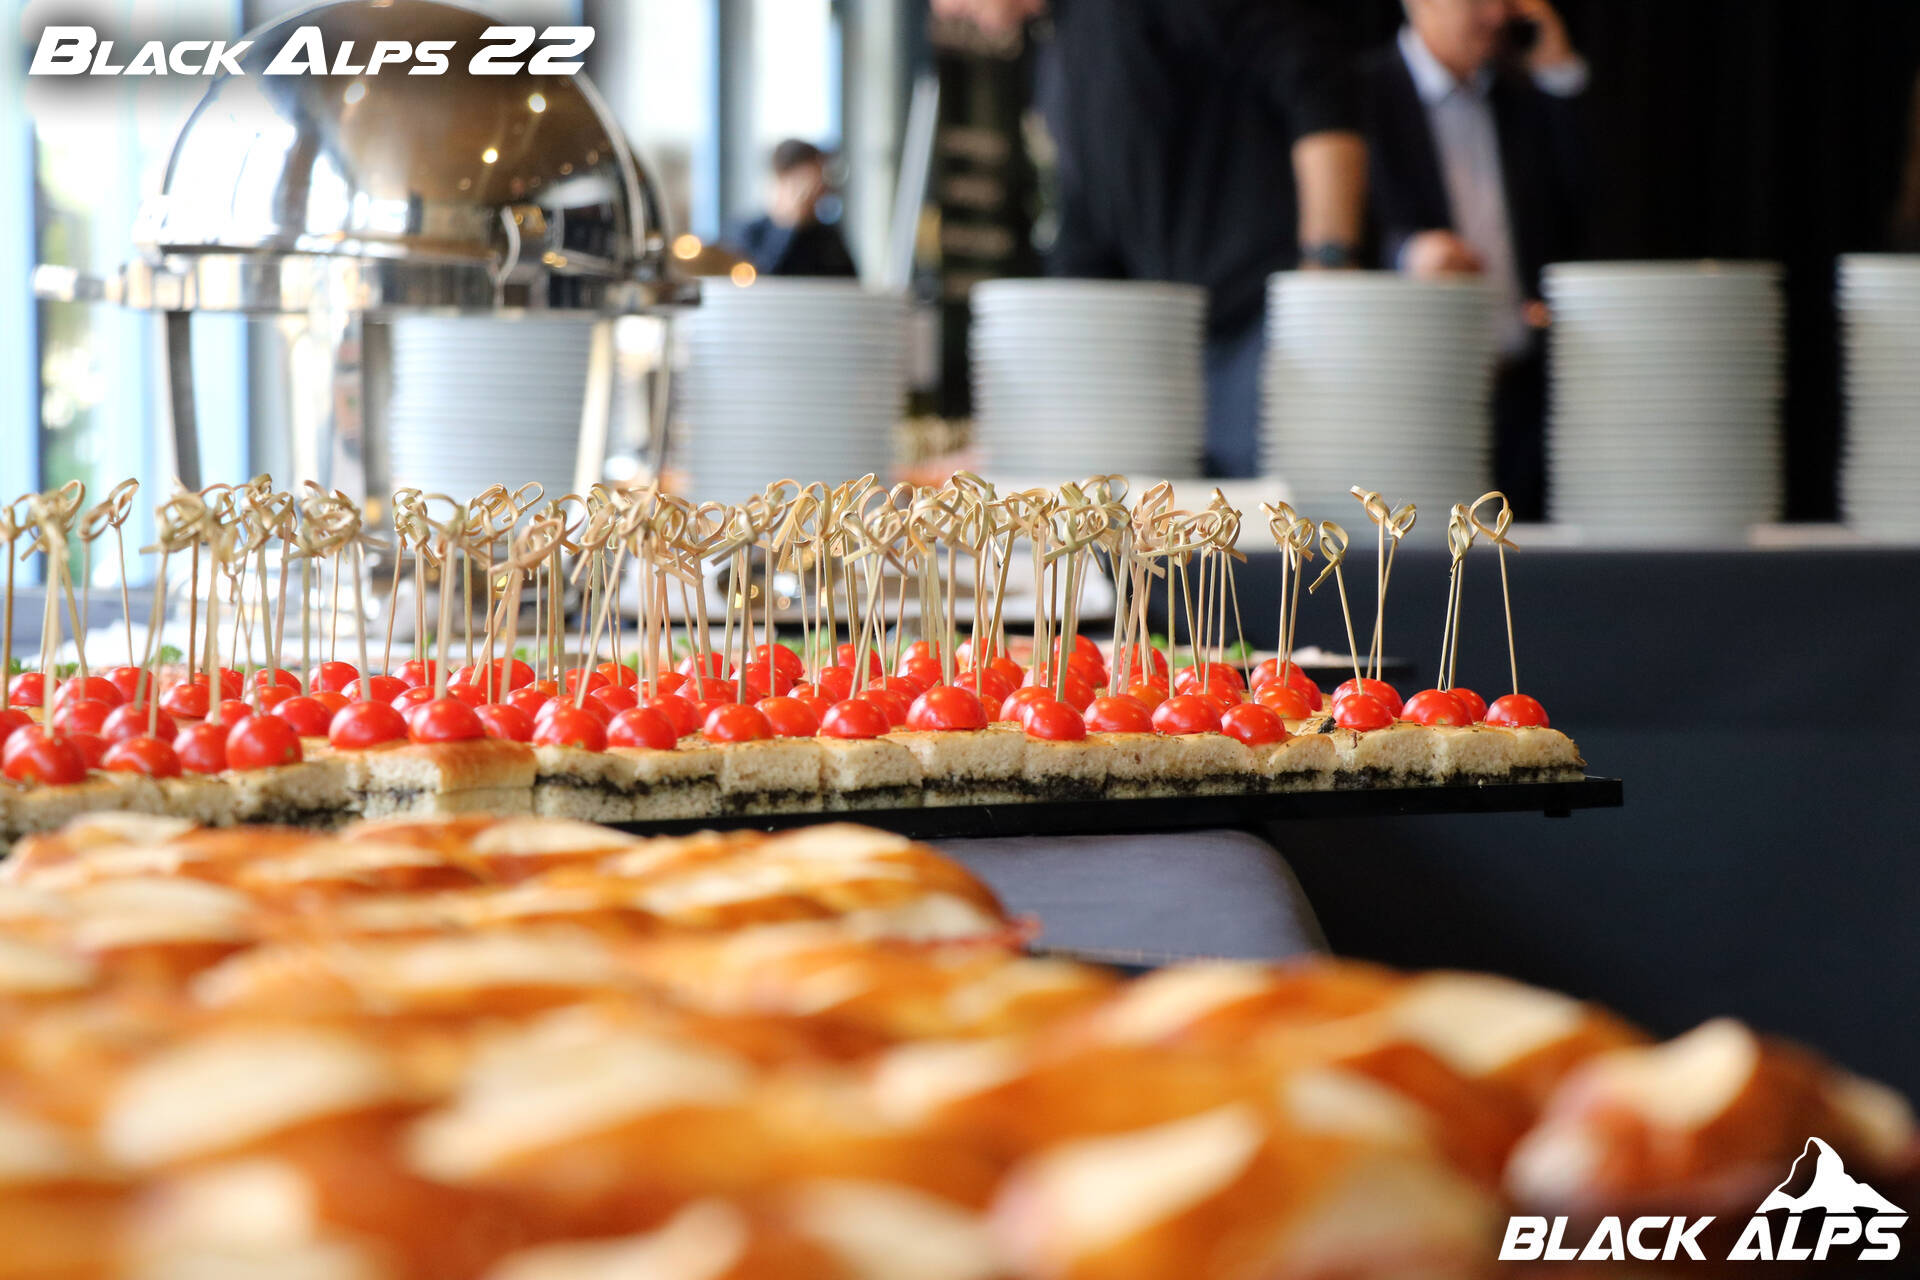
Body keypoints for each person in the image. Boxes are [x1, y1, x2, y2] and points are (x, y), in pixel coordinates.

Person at [934, 0, 1369, 479]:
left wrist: (1327, 266)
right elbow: (1085, 244)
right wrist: (1023, 436)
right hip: (1170, 356)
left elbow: (1317, 88)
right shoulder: (1055, 57)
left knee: (1282, 517)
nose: (943, 9)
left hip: (1270, 323)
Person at [1360, 0, 1590, 520]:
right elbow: (1329, 232)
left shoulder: (1524, 94)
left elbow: (1592, 201)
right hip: (1415, 398)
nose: (1497, 16)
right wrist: (1407, 254)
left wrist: (1559, 71)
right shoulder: (1358, 93)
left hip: (1525, 393)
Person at [722, 139, 859, 278]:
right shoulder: (747, 232)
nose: (816, 193)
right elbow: (759, 278)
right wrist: (791, 224)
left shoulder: (828, 238)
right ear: (781, 179)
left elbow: (849, 282)